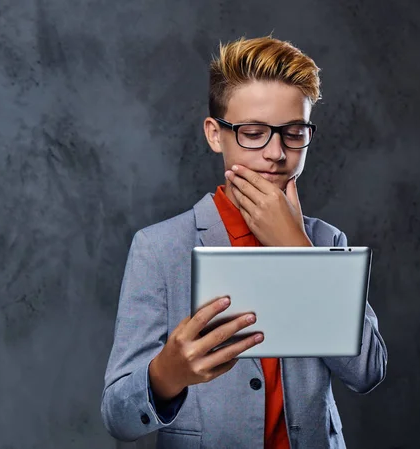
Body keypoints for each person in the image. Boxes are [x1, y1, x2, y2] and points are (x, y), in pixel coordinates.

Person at [101, 35, 387, 449]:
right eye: (253, 133)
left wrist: (299, 251)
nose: (276, 153)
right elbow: (117, 417)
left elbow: (368, 372)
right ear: (216, 135)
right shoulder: (159, 249)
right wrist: (167, 374)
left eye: (293, 132)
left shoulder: (326, 241)